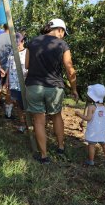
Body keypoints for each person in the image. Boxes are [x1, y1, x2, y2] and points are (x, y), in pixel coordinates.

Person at [25, 18, 78, 164]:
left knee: (39, 120)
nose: (63, 36)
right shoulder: (62, 44)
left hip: (34, 85)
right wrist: (74, 88)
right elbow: (69, 68)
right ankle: (60, 147)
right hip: (54, 87)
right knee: (56, 116)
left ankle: (44, 156)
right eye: (63, 33)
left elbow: (28, 64)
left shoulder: (33, 42)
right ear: (59, 30)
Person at [75, 84, 105, 166]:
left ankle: (91, 161)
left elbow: (88, 118)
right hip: (102, 131)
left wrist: (79, 114)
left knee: (91, 145)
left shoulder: (91, 107)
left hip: (93, 130)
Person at [6, 33, 28, 132]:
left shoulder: (27, 53)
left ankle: (30, 124)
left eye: (18, 44)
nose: (17, 46)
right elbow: (8, 68)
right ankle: (22, 123)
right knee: (19, 104)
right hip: (14, 83)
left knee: (26, 105)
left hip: (24, 84)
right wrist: (7, 81)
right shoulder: (11, 53)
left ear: (23, 42)